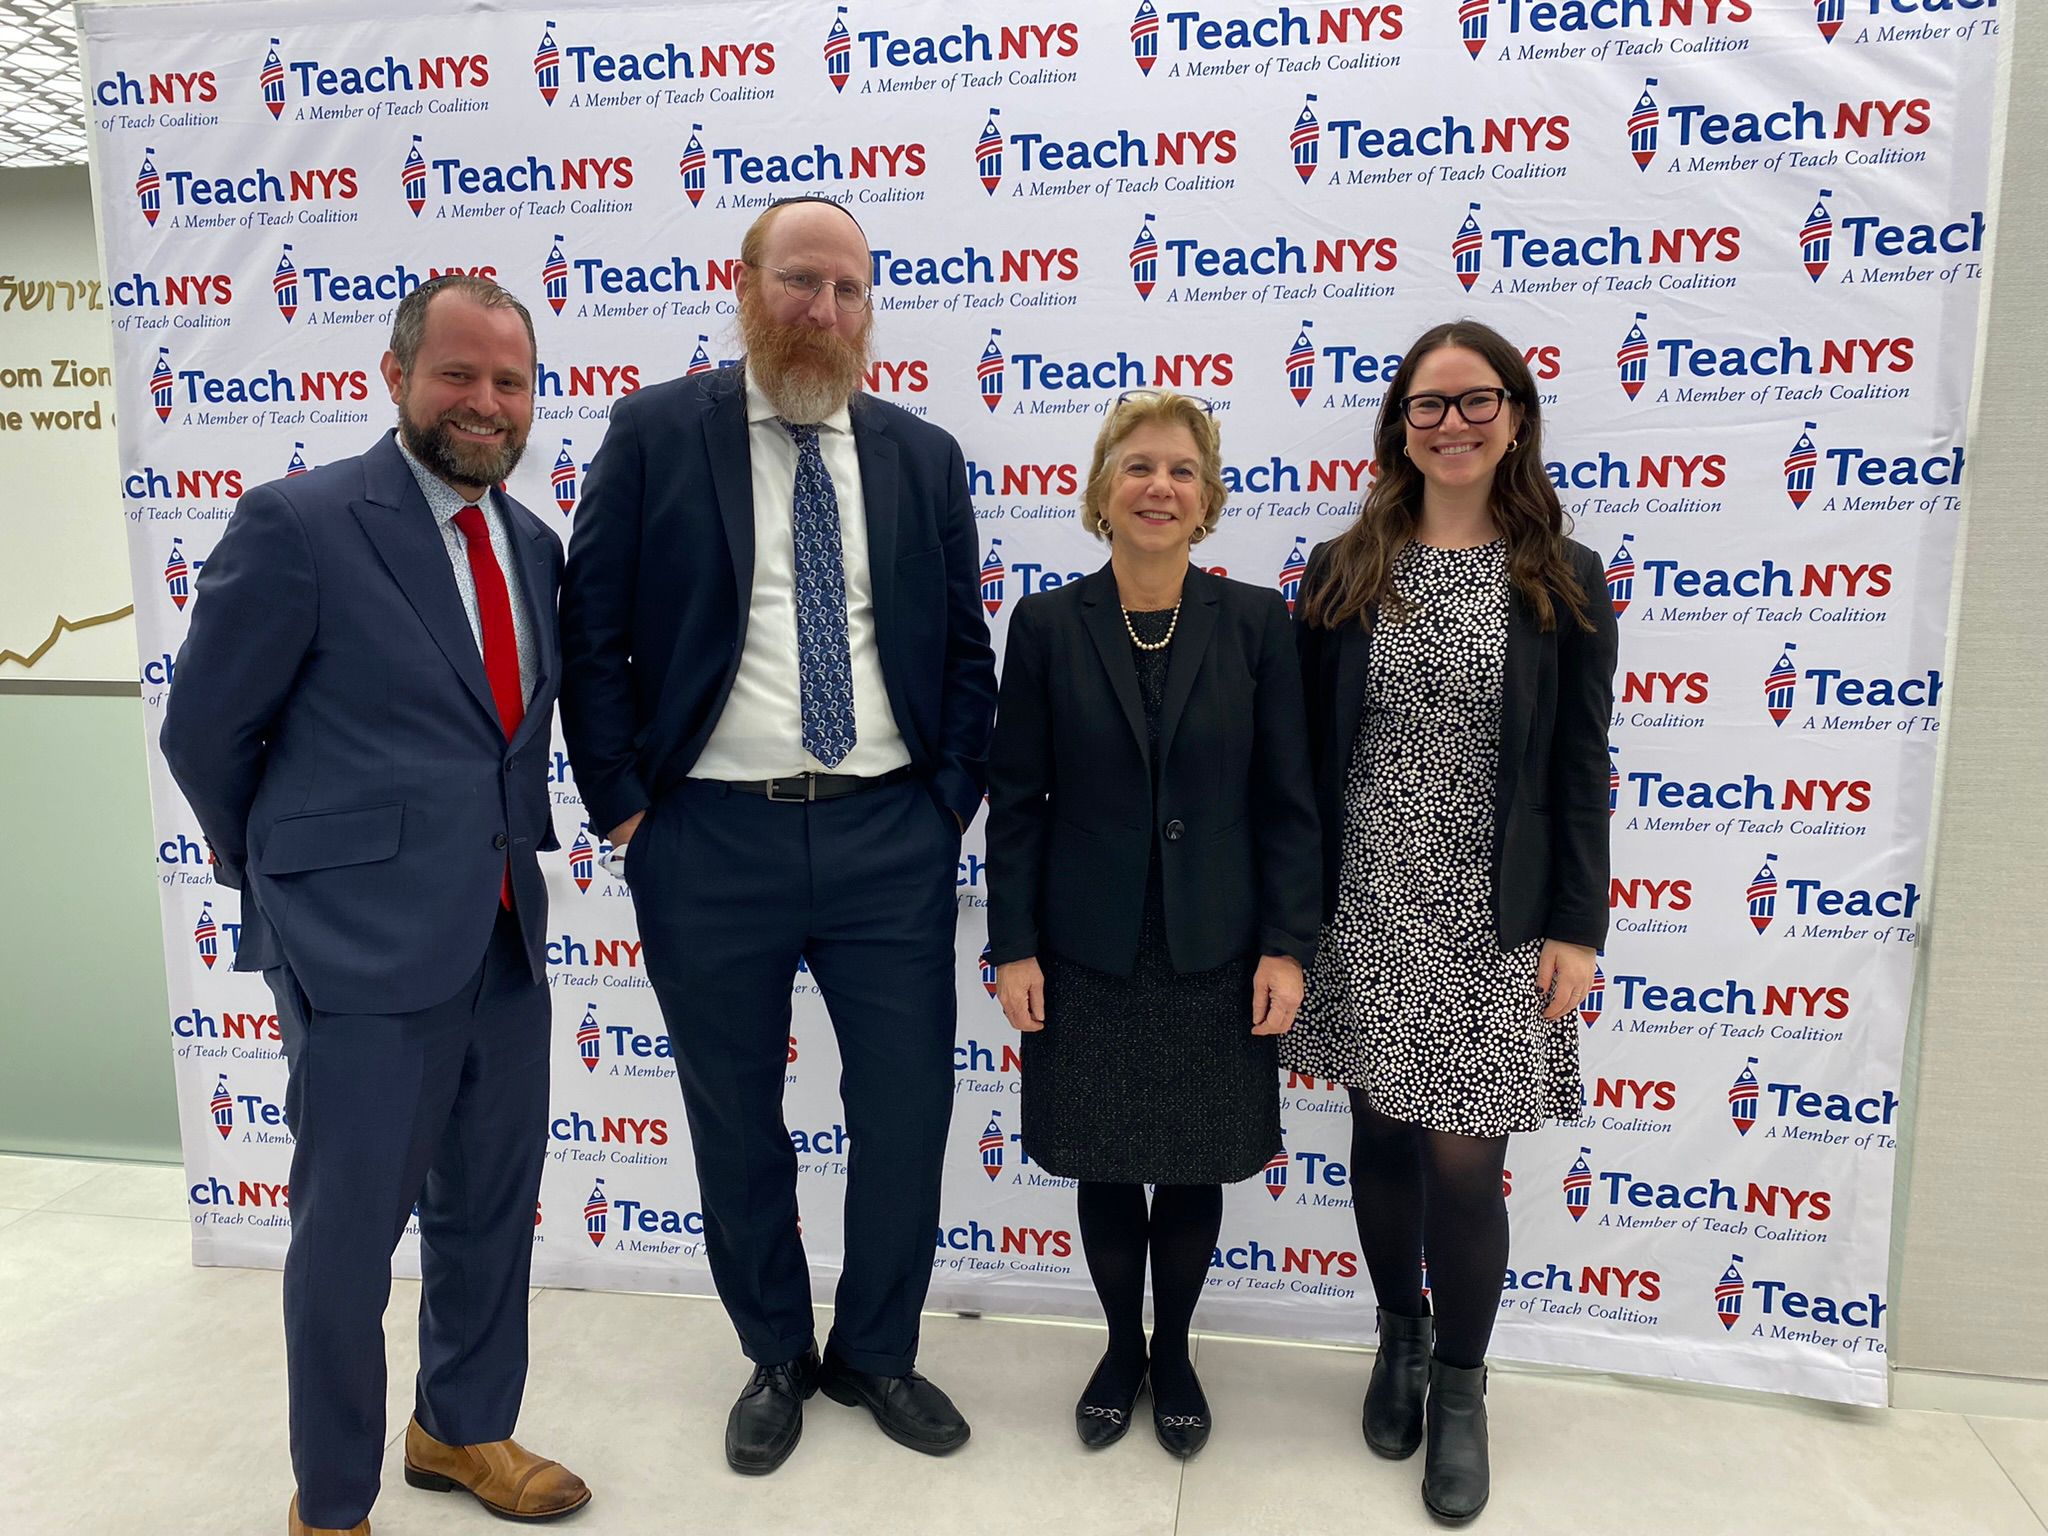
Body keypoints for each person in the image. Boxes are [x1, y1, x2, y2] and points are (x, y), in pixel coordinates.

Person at [558, 196, 997, 1475]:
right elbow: (592, 636)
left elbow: (960, 649)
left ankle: (876, 1351)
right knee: (734, 1115)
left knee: (906, 1109)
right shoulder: (653, 433)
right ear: (744, 284)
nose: (824, 310)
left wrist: (943, 802)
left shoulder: (921, 456)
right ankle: (773, 1354)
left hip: (886, 837)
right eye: (801, 281)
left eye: (849, 290)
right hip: (706, 842)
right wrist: (628, 807)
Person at [160, 275, 589, 1536]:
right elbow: (204, 733)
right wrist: (287, 882)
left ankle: (460, 1428)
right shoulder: (298, 523)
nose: (484, 402)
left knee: (488, 1211)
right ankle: (335, 1499)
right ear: (395, 375)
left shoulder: (533, 546)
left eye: (509, 382)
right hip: (355, 953)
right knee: (347, 1243)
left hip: (503, 935)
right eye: (457, 373)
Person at [1285, 320, 1618, 1523]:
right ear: (1399, 429)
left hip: (1495, 917)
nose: (1452, 423)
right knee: (1381, 1139)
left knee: (1465, 1168)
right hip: (1369, 901)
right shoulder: (1341, 569)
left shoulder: (1561, 577)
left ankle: (1463, 1391)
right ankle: (1399, 1337)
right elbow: (1301, 759)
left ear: (1514, 417)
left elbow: (1578, 766)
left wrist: (1575, 925)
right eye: (1426, 405)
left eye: (1475, 400)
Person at [985, 390, 1320, 1459]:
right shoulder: (1045, 626)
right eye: (1137, 466)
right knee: (1101, 1159)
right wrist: (1013, 946)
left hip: (1213, 947)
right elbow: (1017, 804)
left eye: (1181, 470)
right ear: (1101, 491)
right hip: (1084, 951)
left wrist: (1286, 947)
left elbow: (1288, 803)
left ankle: (1172, 1350)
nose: (1159, 487)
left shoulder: (1257, 623)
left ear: (1207, 499)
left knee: (1190, 1162)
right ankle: (1118, 1348)